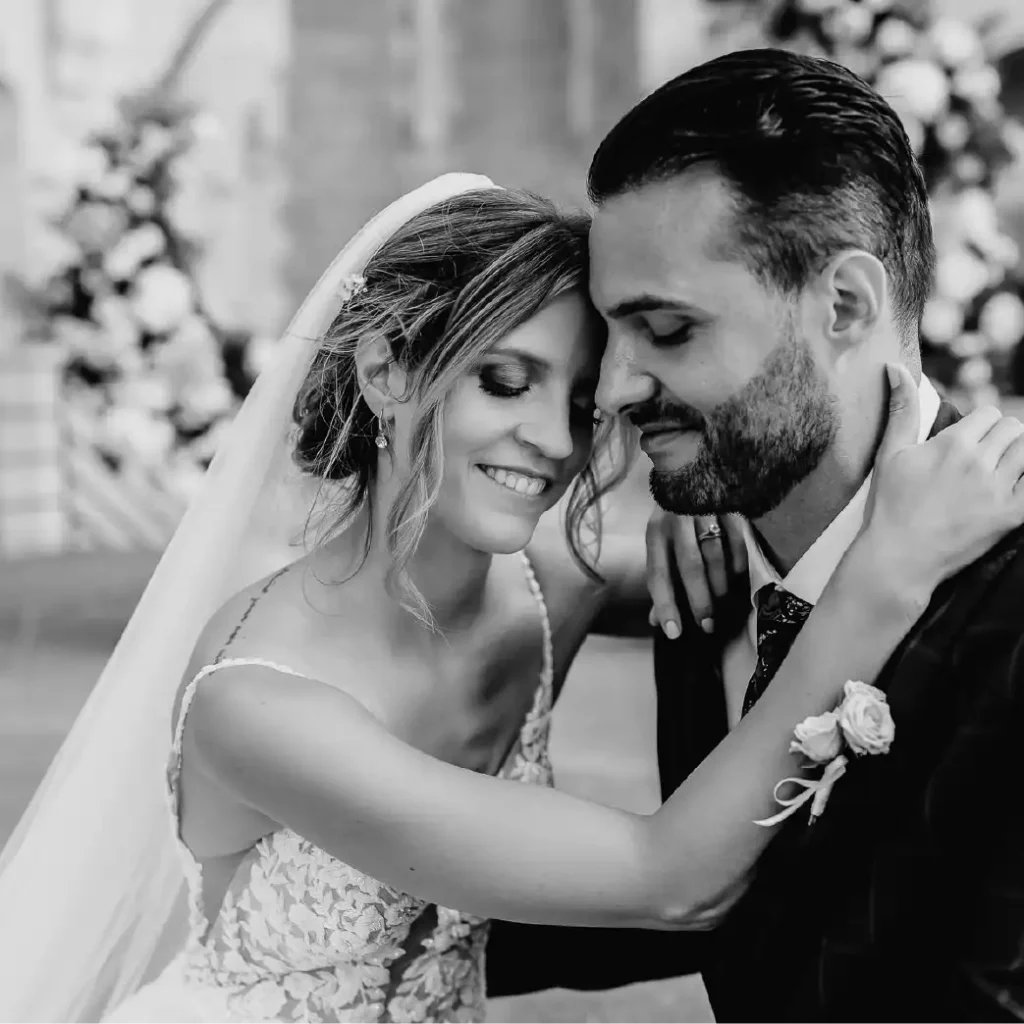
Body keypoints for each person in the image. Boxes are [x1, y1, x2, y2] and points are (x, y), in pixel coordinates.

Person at [0, 172, 1021, 1024]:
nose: (553, 439)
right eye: (502, 381)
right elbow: (667, 879)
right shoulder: (256, 707)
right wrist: (886, 573)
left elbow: (775, 570)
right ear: (386, 369)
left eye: (579, 400)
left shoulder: (553, 587)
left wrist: (709, 510)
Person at [487, 49, 1024, 1023]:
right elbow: (739, 910)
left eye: (668, 330)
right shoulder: (708, 568)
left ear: (844, 304)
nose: (614, 391)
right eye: (610, 335)